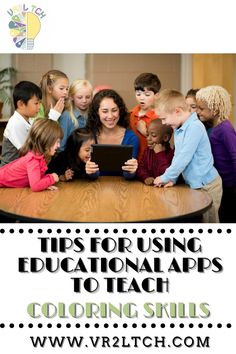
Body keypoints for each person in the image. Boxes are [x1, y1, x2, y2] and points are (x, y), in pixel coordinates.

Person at [154, 89, 222, 223]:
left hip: (208, 185)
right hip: (195, 185)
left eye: (164, 118)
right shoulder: (178, 128)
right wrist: (172, 179)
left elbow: (183, 158)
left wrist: (165, 176)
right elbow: (177, 155)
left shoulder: (195, 127)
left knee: (209, 223)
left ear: (178, 111)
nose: (163, 123)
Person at [196, 85, 236, 222]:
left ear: (215, 109)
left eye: (201, 109)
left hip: (230, 185)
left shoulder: (225, 128)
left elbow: (235, 155)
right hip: (218, 181)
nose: (198, 112)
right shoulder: (211, 127)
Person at [86, 89, 139, 178]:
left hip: (123, 189)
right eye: (105, 111)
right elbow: (88, 175)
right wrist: (90, 171)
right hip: (95, 188)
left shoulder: (131, 138)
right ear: (97, 112)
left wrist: (131, 171)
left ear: (120, 110)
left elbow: (128, 176)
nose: (110, 116)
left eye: (114, 110)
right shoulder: (89, 135)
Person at [0, 118, 62, 192]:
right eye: (57, 142)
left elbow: (36, 179)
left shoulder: (39, 157)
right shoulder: (33, 160)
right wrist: (51, 178)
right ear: (46, 141)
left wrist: (45, 184)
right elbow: (35, 186)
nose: (59, 145)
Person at [1, 81, 42, 166]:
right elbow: (29, 152)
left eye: (40, 103)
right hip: (10, 173)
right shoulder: (16, 123)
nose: (39, 107)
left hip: (20, 169)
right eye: (36, 103)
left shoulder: (29, 120)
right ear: (21, 104)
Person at [130, 72, 161, 160]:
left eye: (147, 94)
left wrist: (144, 132)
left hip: (150, 163)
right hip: (133, 161)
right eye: (138, 94)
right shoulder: (131, 114)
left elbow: (160, 142)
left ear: (156, 95)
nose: (141, 98)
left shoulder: (159, 117)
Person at [58, 79, 93, 151]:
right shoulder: (67, 116)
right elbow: (61, 147)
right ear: (71, 97)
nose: (84, 101)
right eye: (80, 97)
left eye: (88, 97)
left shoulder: (93, 114)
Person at [137, 118, 174, 185]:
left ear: (165, 138)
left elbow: (168, 174)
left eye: (153, 135)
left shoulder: (171, 154)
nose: (148, 138)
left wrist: (160, 154)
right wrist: (145, 177)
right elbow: (140, 168)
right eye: (148, 134)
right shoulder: (147, 151)